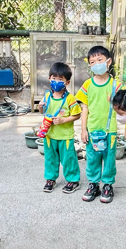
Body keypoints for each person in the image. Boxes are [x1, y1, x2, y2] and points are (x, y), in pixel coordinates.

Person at [76, 45, 118, 204]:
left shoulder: (116, 85)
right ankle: (93, 184)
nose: (96, 64)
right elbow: (84, 108)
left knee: (109, 158)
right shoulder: (87, 85)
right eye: (92, 62)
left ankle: (107, 185)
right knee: (92, 158)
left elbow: (122, 107)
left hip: (110, 130)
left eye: (100, 60)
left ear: (108, 62)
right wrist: (83, 130)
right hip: (92, 129)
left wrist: (114, 102)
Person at [40, 61, 82, 193]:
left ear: (67, 82)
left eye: (60, 79)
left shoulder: (70, 99)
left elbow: (77, 115)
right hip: (49, 134)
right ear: (49, 79)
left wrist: (64, 120)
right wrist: (40, 107)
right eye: (54, 78)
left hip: (65, 136)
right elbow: (42, 112)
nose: (56, 82)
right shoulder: (47, 95)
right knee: (50, 158)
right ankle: (50, 179)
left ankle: (73, 180)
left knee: (68, 159)